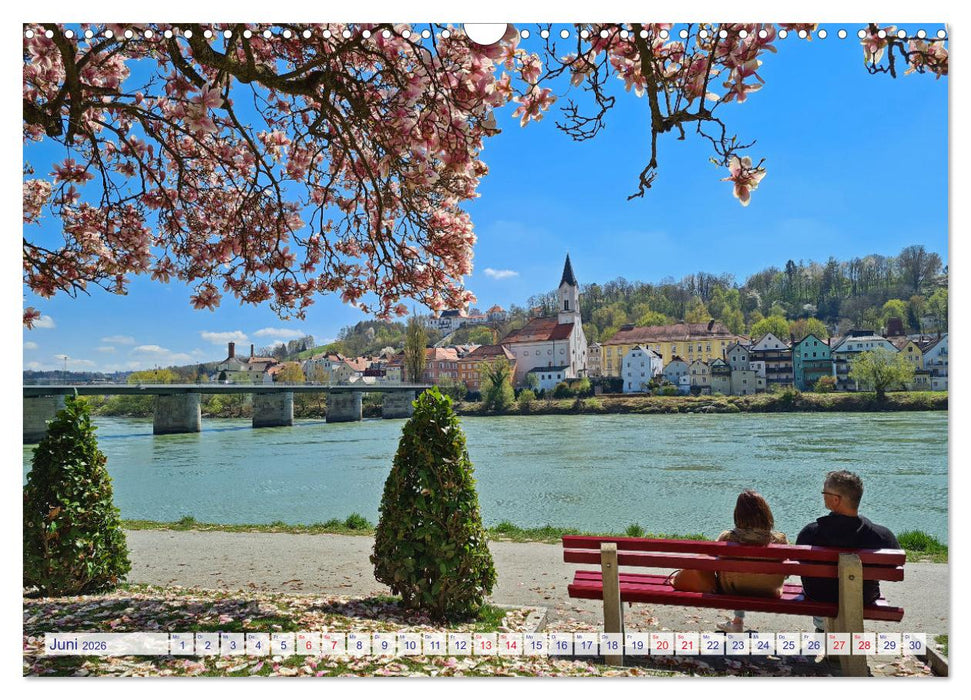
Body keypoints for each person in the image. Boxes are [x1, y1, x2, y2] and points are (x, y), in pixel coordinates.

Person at [670, 490, 788, 632]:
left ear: (737, 515)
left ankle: (737, 622)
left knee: (739, 578)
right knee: (747, 577)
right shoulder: (780, 540)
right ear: (766, 514)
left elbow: (708, 559)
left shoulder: (727, 538)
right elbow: (786, 573)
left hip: (731, 590)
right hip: (770, 591)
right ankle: (737, 623)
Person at [796, 470, 899, 631]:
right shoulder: (882, 536)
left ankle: (822, 628)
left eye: (825, 492)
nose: (822, 495)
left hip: (819, 596)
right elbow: (893, 568)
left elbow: (800, 563)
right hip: (863, 598)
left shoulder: (810, 533)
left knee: (822, 591)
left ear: (836, 500)